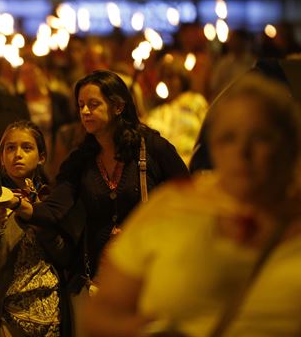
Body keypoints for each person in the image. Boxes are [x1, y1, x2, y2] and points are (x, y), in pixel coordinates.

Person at [84, 74, 301, 337]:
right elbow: (100, 317)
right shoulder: (171, 205)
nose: (242, 152)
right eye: (228, 138)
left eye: (261, 137)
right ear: (213, 146)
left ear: (289, 144)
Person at [16, 70, 189, 283]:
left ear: (118, 106)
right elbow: (55, 208)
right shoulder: (81, 159)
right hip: (102, 277)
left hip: (151, 272)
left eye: (93, 104)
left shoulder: (151, 148)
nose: (85, 111)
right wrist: (18, 204)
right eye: (81, 106)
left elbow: (189, 194)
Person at [0, 120, 71, 336]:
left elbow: (64, 255)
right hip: (10, 314)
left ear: (41, 157)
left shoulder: (50, 198)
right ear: (1, 157)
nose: (18, 154)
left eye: (27, 148)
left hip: (51, 310)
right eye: (10, 148)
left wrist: (39, 219)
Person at [145, 54, 208, 165]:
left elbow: (207, 132)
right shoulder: (159, 111)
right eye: (164, 78)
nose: (167, 82)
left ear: (182, 79)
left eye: (171, 77)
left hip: (193, 165)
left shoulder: (195, 101)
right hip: (169, 169)